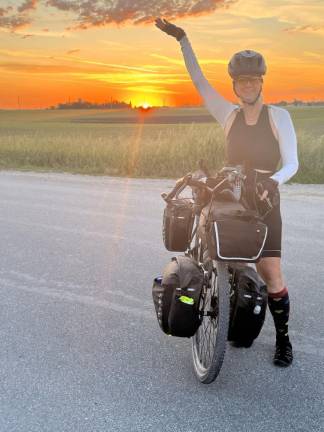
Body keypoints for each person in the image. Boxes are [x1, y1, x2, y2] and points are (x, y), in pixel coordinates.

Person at [155, 17, 299, 367]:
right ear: (235, 85)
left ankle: (283, 339)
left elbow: (292, 163)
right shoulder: (228, 115)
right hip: (230, 194)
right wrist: (183, 39)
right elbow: (199, 80)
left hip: (264, 198)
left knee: (271, 273)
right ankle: (235, 323)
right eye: (241, 80)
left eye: (253, 79)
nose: (247, 85)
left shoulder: (278, 117)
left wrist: (273, 181)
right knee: (227, 261)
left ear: (261, 82)